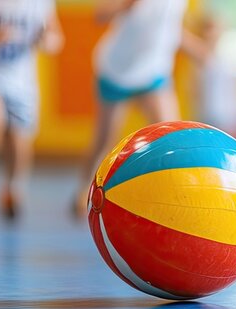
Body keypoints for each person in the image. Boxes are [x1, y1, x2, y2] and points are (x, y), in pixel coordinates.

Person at [72, 0, 188, 219]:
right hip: (117, 71)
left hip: (154, 72)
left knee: (172, 137)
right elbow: (100, 15)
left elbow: (170, 28)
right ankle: (82, 190)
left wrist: (198, 49)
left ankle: (174, 194)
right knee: (104, 139)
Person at [0, 0, 64, 221]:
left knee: (19, 142)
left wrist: (47, 40)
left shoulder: (41, 5)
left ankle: (13, 189)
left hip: (21, 81)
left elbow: (57, 38)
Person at [180, 16, 236, 139]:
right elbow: (181, 38)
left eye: (214, 29)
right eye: (208, 29)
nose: (211, 33)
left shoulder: (220, 57)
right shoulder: (205, 56)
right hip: (211, 118)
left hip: (229, 118)